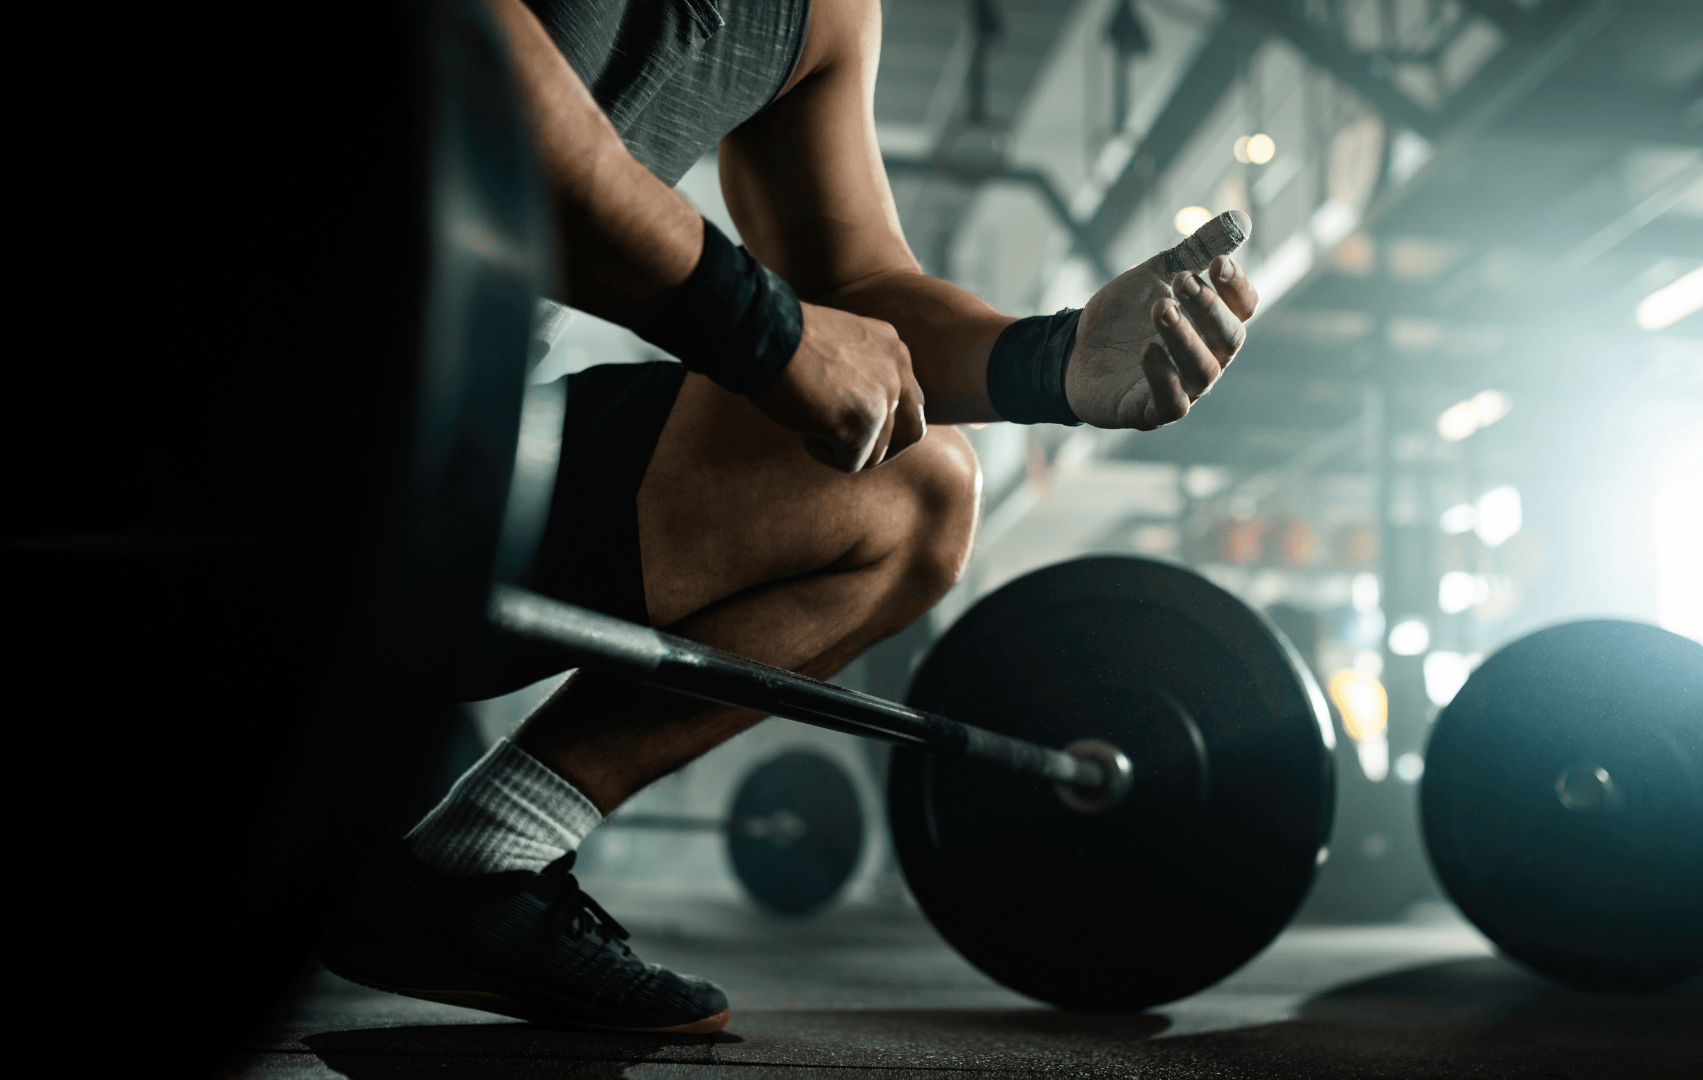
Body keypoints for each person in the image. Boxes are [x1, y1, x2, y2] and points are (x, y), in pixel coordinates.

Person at [323, 0, 1258, 1034]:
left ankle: (476, 870)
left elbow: (854, 283)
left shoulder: (831, 13)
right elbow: (465, 82)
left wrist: (1050, 358)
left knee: (914, 489)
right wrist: (764, 330)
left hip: (445, 483)